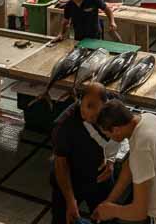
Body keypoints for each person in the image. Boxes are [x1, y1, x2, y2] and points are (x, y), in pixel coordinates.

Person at [92, 100, 156, 224]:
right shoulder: (147, 119)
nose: (109, 138)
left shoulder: (141, 148)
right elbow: (128, 167)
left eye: (107, 134)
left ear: (116, 130)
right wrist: (109, 201)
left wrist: (111, 211)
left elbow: (139, 213)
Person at [51, 83, 121, 224]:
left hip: (100, 177)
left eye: (94, 109)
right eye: (86, 107)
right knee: (63, 219)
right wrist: (70, 201)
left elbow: (118, 136)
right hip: (71, 179)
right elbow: (60, 164)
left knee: (108, 219)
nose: (88, 113)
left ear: (105, 102)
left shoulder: (114, 108)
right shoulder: (64, 125)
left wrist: (111, 161)